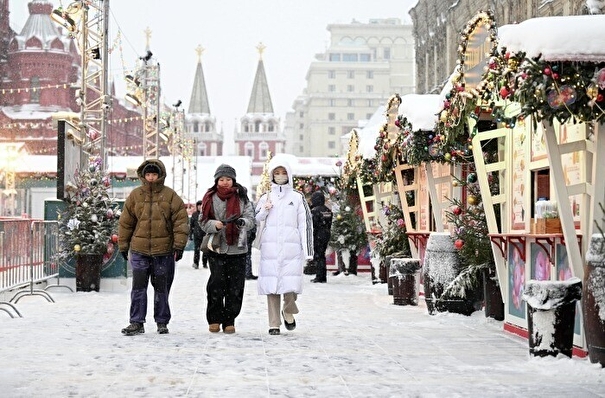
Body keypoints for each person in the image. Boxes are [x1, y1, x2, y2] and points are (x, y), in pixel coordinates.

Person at [118, 159, 189, 336]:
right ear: (143, 175)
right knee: (138, 288)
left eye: (154, 174)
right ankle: (136, 322)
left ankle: (162, 321)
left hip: (163, 251)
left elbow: (180, 222)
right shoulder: (135, 196)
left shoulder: (170, 196)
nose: (151, 178)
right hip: (139, 250)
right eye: (148, 174)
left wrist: (179, 246)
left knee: (162, 289)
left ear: (160, 175)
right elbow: (126, 223)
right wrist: (123, 245)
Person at [255, 157, 313, 335]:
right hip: (270, 248)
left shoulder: (297, 198)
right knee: (272, 286)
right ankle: (274, 324)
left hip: (291, 249)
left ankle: (288, 310)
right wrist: (264, 209)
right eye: (277, 173)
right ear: (272, 175)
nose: (280, 176)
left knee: (290, 287)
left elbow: (305, 223)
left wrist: (308, 250)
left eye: (283, 173)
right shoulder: (266, 197)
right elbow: (256, 219)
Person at [199, 164, 255, 334]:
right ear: (216, 180)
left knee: (235, 287)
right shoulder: (209, 197)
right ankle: (214, 318)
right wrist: (214, 225)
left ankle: (229, 319)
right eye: (221, 179)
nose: (225, 182)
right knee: (216, 284)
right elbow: (202, 221)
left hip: (238, 247)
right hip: (216, 247)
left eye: (228, 179)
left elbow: (250, 218)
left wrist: (243, 223)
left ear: (233, 180)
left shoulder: (242, 197)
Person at [309, 191, 333, 283]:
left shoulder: (315, 211)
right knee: (322, 255)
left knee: (318, 256)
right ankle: (323, 276)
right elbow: (329, 223)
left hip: (318, 235)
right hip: (326, 234)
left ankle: (319, 276)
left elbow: (313, 225)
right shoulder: (328, 210)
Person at [189, 200, 208, 269]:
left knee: (205, 250)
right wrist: (190, 235)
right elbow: (191, 225)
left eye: (201, 205)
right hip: (197, 235)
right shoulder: (194, 214)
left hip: (205, 235)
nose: (200, 206)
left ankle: (205, 263)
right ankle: (196, 263)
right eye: (198, 205)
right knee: (197, 250)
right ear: (197, 206)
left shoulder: (206, 214)